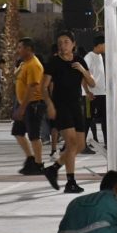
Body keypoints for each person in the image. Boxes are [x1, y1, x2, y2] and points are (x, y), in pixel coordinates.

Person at [42, 31, 96, 194]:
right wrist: (50, 105)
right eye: (60, 42)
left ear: (73, 44)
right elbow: (43, 87)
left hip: (76, 105)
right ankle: (70, 182)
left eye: (66, 42)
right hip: (61, 105)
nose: (62, 45)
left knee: (80, 145)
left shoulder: (79, 61)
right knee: (71, 143)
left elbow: (92, 83)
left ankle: (54, 168)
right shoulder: (53, 62)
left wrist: (82, 70)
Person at [12, 37, 46, 175]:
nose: (18, 50)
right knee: (18, 132)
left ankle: (38, 164)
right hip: (24, 104)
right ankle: (30, 158)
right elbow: (16, 77)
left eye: (20, 47)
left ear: (28, 49)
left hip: (33, 105)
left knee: (34, 136)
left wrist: (22, 108)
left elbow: (32, 88)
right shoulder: (25, 63)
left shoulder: (34, 65)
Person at [83, 35, 107, 146]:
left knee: (105, 119)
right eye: (105, 44)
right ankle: (81, 145)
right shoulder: (89, 57)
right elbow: (82, 75)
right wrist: (87, 92)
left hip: (102, 93)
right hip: (91, 94)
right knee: (87, 120)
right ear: (100, 45)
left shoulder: (100, 56)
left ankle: (108, 143)